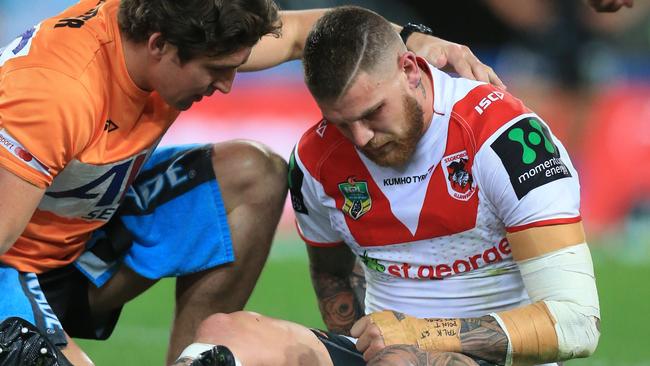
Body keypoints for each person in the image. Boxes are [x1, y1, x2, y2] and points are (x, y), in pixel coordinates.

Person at [0, 0, 503, 365]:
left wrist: (414, 39)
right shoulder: (55, 95)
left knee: (253, 175)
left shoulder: (177, 21)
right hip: (11, 262)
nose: (226, 86)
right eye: (217, 70)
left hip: (75, 233)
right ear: (159, 46)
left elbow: (308, 32)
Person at [181, 5, 601, 366]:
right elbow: (333, 279)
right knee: (222, 335)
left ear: (410, 69)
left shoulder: (506, 138)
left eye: (373, 113)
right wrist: (367, 341)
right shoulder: (314, 160)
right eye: (341, 123)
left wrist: (423, 335)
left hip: (490, 357)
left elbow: (577, 323)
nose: (361, 138)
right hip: (386, 353)